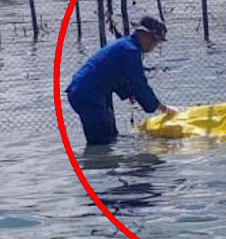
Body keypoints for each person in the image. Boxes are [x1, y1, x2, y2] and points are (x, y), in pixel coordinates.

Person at [66, 15, 178, 146]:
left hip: (88, 92)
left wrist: (129, 94)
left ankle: (109, 164)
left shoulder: (125, 45)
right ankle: (97, 165)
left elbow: (115, 75)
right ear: (145, 35)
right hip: (88, 95)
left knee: (111, 135)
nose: (155, 45)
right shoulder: (131, 51)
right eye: (155, 40)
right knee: (100, 142)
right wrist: (162, 108)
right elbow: (139, 84)